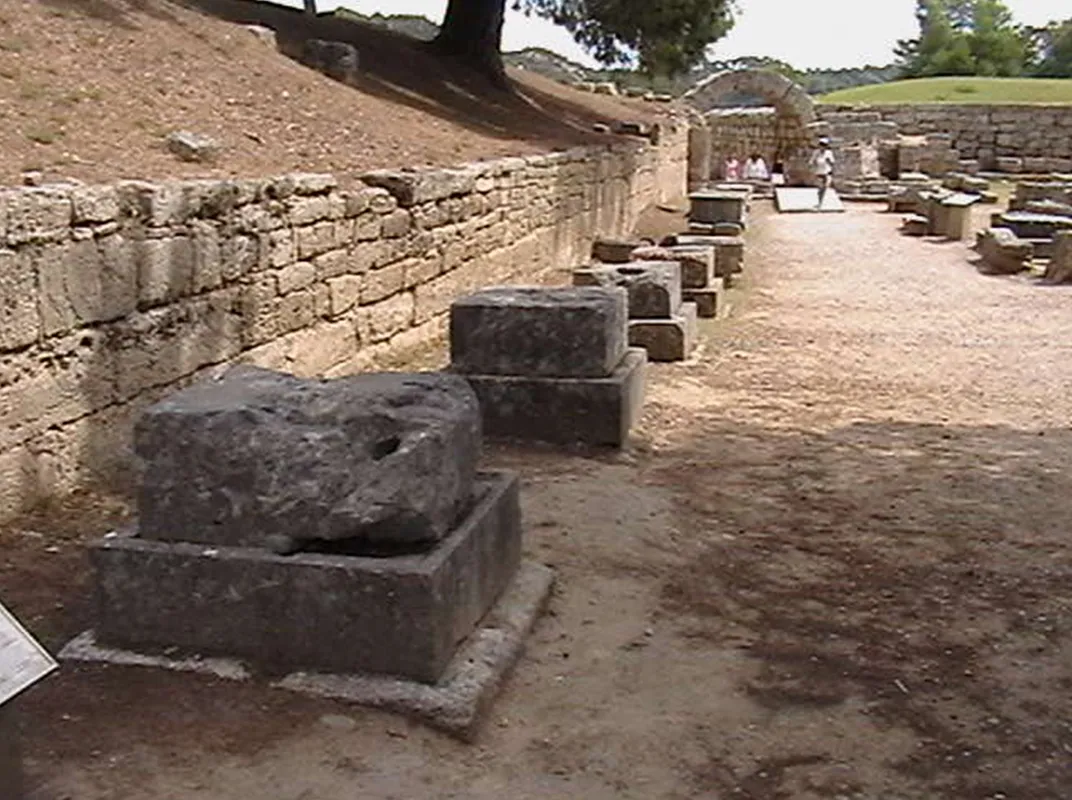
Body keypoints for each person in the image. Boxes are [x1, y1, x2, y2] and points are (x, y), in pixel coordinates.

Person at [810, 137, 836, 208]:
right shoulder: (816, 152)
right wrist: (813, 164)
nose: (822, 147)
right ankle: (819, 202)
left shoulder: (829, 153)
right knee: (820, 187)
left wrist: (829, 161)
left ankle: (821, 202)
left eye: (824, 145)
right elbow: (811, 161)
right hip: (819, 172)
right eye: (821, 145)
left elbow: (833, 162)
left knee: (824, 187)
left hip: (826, 172)